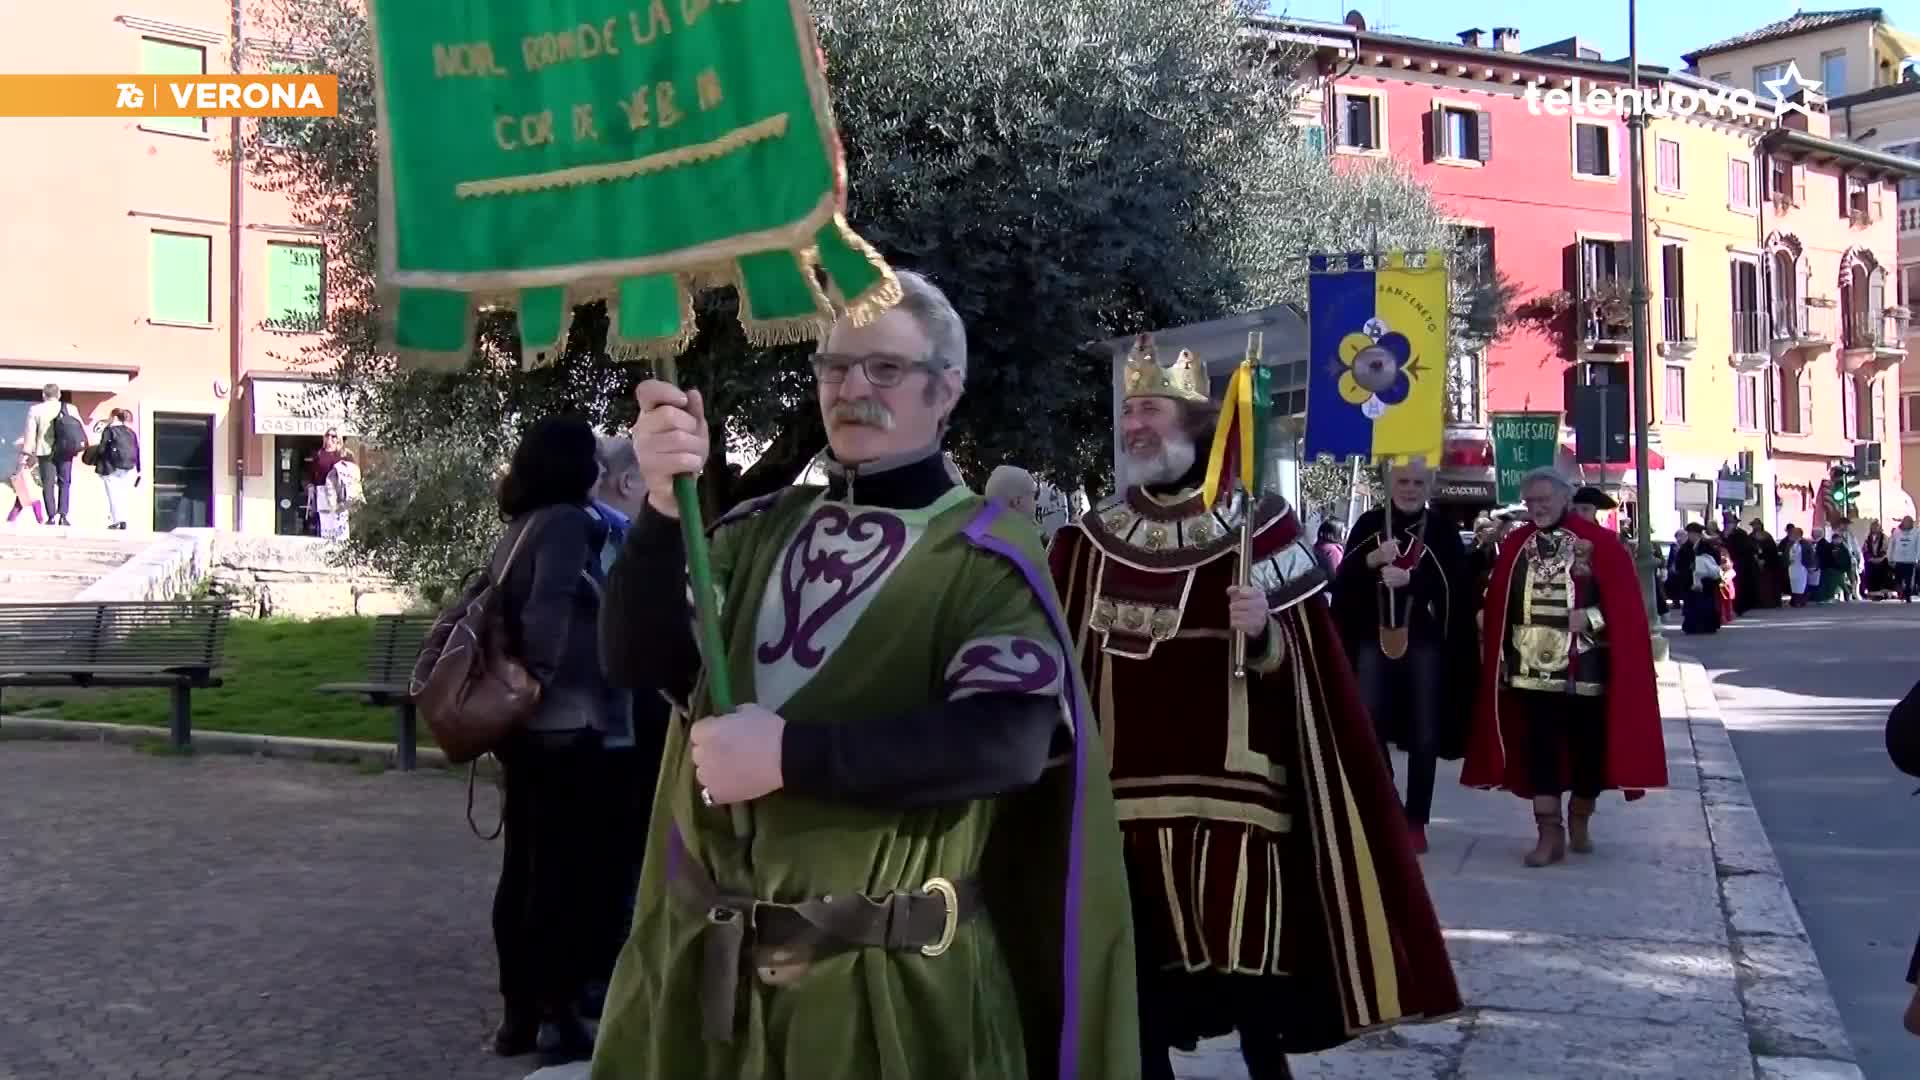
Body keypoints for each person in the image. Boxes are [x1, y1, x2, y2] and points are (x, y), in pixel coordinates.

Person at [594, 271, 1139, 1078]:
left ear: (945, 390)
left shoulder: (984, 554)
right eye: (835, 366)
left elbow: (1008, 742)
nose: (852, 389)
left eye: (885, 368)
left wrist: (790, 757)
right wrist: (663, 512)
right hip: (722, 997)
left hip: (894, 998)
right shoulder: (753, 532)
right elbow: (640, 660)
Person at [1047, 335, 1458, 1080]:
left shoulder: (1261, 525)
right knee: (1140, 979)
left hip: (1236, 797)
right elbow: (1062, 671)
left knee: (1253, 983)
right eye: (1129, 412)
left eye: (1151, 410)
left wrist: (1265, 631)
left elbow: (1313, 668)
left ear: (1194, 421)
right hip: (1121, 803)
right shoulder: (1088, 542)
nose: (1134, 425)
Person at [487, 416, 626, 1067]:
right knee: (562, 876)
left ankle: (518, 1015)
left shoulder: (521, 526)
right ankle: (558, 1014)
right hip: (566, 724)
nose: (601, 466)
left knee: (523, 869)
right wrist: (541, 679)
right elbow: (549, 612)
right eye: (593, 455)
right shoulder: (569, 524)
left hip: (525, 728)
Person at [1463, 467, 1666, 867]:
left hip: (1584, 667)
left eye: (1544, 500)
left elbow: (1626, 611)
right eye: (1531, 501)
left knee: (1589, 751)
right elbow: (1504, 602)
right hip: (1529, 668)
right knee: (1540, 750)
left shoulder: (1601, 544)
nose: (1537, 508)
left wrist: (1591, 618)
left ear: (1564, 499)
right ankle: (1549, 832)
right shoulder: (1516, 544)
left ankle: (1580, 815)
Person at [1331, 458, 1477, 855]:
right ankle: (1389, 805)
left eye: (1417, 482)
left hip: (1424, 641)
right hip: (1370, 636)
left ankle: (1416, 819)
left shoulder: (1443, 529)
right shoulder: (1368, 524)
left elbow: (1457, 589)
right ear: (1390, 484)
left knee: (1424, 730)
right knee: (1368, 723)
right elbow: (1342, 585)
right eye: (1403, 482)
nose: (1410, 489)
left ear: (1428, 486)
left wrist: (1414, 579)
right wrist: (1370, 561)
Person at [580, 434, 667, 1022]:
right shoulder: (619, 539)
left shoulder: (572, 528)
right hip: (623, 722)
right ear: (630, 482)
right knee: (621, 854)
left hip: (584, 723)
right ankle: (611, 978)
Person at [24, 383, 85, 527]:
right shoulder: (71, 408)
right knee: (65, 483)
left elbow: (30, 433)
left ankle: (51, 516)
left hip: (45, 451)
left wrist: (28, 452)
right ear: (59, 394)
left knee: (48, 484)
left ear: (43, 395)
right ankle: (63, 516)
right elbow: (79, 428)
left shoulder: (35, 410)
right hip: (65, 450)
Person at [95, 409, 141, 531]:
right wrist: (138, 469)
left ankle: (116, 520)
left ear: (115, 417)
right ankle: (124, 519)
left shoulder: (109, 430)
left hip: (110, 467)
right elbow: (137, 450)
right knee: (122, 494)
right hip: (128, 467)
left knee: (113, 494)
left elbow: (102, 449)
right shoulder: (130, 432)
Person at [1678, 524, 1720, 635]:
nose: (1691, 536)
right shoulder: (1685, 548)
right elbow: (1679, 564)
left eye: (1694, 534)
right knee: (1692, 604)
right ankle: (1693, 626)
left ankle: (1707, 626)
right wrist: (1689, 568)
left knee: (1706, 604)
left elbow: (1715, 560)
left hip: (1706, 581)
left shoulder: (1707, 546)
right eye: (1690, 533)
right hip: (1690, 581)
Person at [306, 428, 345, 535]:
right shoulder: (319, 454)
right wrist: (310, 485)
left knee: (340, 517)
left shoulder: (343, 454)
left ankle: (341, 542)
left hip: (339, 489)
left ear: (338, 438)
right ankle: (327, 540)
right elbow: (312, 472)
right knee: (325, 519)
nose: (330, 438)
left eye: (333, 436)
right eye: (327, 435)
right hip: (322, 489)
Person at [318, 451, 361, 540]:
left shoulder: (336, 470)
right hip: (351, 501)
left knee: (331, 531)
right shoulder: (355, 469)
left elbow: (330, 488)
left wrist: (333, 504)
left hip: (338, 502)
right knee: (345, 530)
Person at [1892, 516, 1920, 601]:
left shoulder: (1916, 532)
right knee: (1898, 578)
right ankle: (1901, 592)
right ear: (1903, 522)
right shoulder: (1896, 532)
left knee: (1908, 579)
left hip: (1910, 560)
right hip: (1898, 559)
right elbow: (1892, 544)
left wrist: (1918, 558)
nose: (1908, 523)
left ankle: (1907, 595)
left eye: (1910, 522)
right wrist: (1890, 557)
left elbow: (1918, 546)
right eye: (1906, 522)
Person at [1863, 519, 1891, 599]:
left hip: (1881, 559)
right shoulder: (1867, 538)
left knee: (1882, 571)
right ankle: (1872, 592)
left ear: (1879, 528)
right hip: (1871, 559)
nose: (1874, 528)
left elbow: (1886, 548)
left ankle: (1881, 592)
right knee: (1869, 570)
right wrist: (1870, 558)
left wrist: (1880, 558)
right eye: (1873, 527)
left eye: (1876, 527)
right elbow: (1865, 549)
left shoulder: (1884, 537)